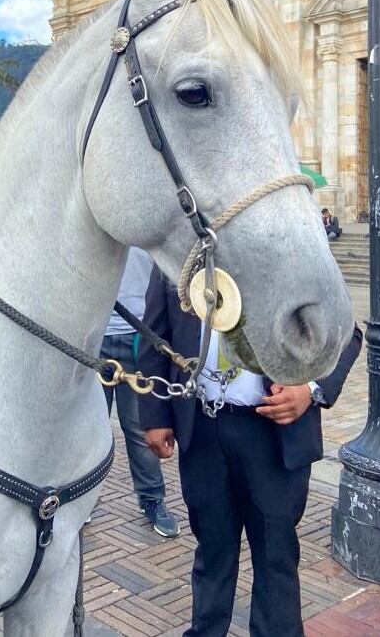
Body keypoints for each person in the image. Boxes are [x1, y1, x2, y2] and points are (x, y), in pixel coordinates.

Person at [138, 268, 364, 637]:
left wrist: (310, 388)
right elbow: (154, 336)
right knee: (212, 548)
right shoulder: (181, 250)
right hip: (203, 429)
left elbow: (346, 332)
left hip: (273, 433)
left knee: (276, 554)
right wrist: (154, 415)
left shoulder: (293, 247)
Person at [99, 247, 180, 538]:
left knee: (139, 427)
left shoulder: (147, 229)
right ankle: (82, 499)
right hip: (94, 337)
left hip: (139, 335)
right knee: (88, 428)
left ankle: (152, 499)